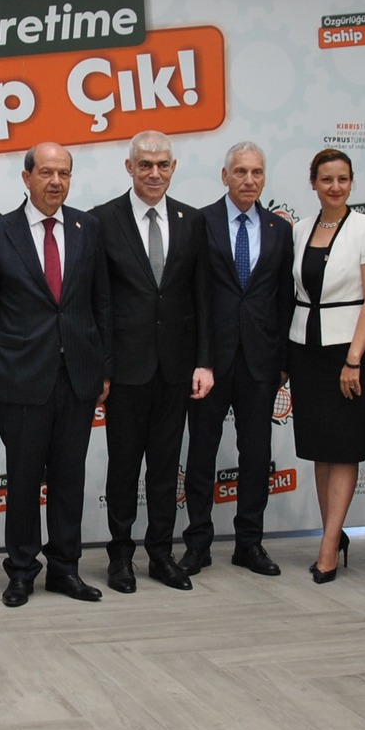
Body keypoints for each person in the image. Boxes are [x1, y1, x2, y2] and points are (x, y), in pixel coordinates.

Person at [0, 142, 113, 606]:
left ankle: (65, 569)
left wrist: (103, 367)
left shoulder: (88, 228)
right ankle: (21, 571)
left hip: (77, 377)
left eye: (64, 173)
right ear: (26, 177)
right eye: (47, 172)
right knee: (24, 479)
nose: (55, 182)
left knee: (69, 479)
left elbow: (101, 302)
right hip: (20, 378)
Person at [89, 131, 212, 593]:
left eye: (163, 165)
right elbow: (97, 301)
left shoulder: (192, 220)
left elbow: (202, 298)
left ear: (173, 167)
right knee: (123, 469)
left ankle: (160, 554)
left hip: (176, 369)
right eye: (145, 165)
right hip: (125, 370)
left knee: (164, 468)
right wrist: (103, 368)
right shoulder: (102, 220)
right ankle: (120, 556)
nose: (154, 173)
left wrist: (204, 361)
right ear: (130, 167)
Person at [180, 142, 295, 578]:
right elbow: (190, 294)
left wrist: (283, 359)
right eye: (241, 171)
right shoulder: (199, 222)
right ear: (224, 176)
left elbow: (284, 298)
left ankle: (249, 543)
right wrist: (198, 358)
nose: (249, 180)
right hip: (209, 361)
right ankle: (198, 544)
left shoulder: (279, 229)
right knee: (201, 453)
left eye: (257, 172)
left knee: (256, 454)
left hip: (261, 361)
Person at [288, 149, 365, 581]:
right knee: (319, 448)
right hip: (305, 351)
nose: (335, 187)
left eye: (343, 179)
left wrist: (354, 359)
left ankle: (329, 546)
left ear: (351, 182)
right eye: (326, 179)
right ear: (313, 183)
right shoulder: (300, 229)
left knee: (344, 448)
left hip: (350, 352)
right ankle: (333, 532)